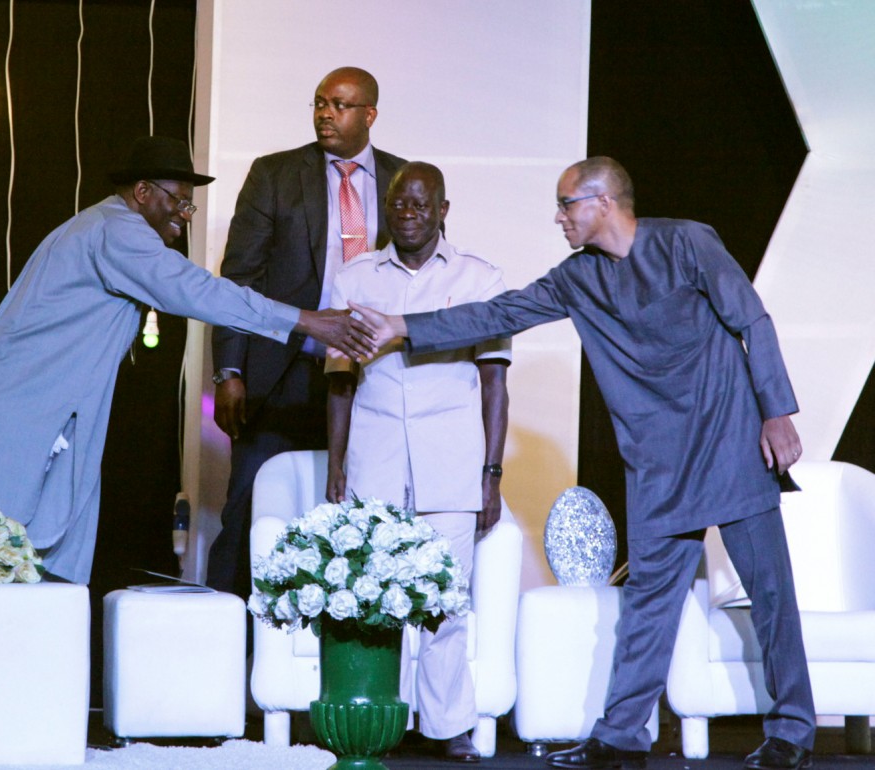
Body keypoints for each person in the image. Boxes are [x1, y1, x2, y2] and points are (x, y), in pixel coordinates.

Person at [349, 157, 816, 770]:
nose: (558, 216)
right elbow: (498, 313)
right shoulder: (578, 279)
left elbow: (750, 317)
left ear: (602, 202)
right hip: (658, 459)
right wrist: (402, 326)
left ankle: (793, 732)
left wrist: (777, 411)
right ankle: (623, 735)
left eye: (566, 203)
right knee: (648, 602)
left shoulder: (686, 242)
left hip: (729, 441)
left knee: (771, 593)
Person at [0, 135, 376, 586]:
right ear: (142, 192)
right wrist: (307, 320)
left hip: (39, 403)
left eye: (189, 205)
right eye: (178, 201)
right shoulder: (119, 230)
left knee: (22, 554)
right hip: (23, 409)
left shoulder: (98, 224)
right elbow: (198, 291)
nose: (184, 215)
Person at [325, 162, 509, 763]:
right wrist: (336, 466)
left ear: (442, 211)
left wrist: (491, 474)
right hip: (374, 459)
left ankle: (448, 726)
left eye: (421, 205)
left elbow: (495, 385)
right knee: (372, 598)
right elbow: (339, 380)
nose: (408, 214)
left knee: (444, 601)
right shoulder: (354, 278)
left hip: (452, 463)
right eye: (400, 204)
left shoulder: (480, 278)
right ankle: (380, 718)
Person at [206, 66, 407, 598]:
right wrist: (228, 370)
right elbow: (239, 279)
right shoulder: (274, 174)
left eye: (340, 105)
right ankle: (229, 643)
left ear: (370, 115)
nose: (325, 113)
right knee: (249, 512)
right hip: (284, 373)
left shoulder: (402, 179)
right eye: (320, 102)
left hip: (371, 381)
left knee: (358, 519)